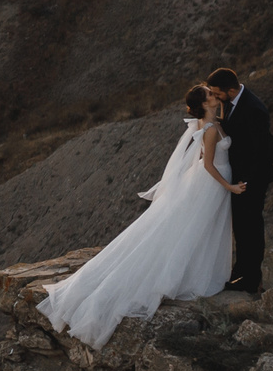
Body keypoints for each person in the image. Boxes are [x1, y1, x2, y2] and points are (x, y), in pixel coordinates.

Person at [36, 84, 245, 349]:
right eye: (211, 95)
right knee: (195, 229)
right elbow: (207, 164)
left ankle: (192, 270)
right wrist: (229, 186)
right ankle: (184, 276)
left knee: (201, 230)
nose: (216, 97)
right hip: (212, 184)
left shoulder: (210, 123)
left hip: (207, 184)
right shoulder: (211, 129)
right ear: (204, 104)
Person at [209, 68, 273, 293]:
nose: (215, 97)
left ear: (231, 90)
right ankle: (240, 272)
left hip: (252, 179)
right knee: (240, 226)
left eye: (217, 93)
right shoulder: (230, 103)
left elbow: (260, 152)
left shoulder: (254, 109)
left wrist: (246, 183)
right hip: (239, 179)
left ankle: (251, 280)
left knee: (252, 228)